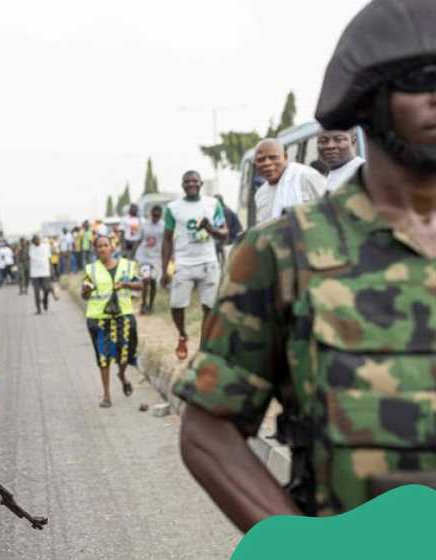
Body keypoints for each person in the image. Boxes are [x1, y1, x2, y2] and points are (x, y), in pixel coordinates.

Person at [177, 0, 436, 529]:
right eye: (423, 78)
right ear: (367, 99)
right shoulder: (284, 253)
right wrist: (307, 546)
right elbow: (208, 433)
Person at [161, 171, 228, 361]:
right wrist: (165, 269)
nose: (191, 184)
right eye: (187, 182)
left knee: (209, 306)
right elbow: (166, 240)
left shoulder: (213, 204)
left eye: (194, 181)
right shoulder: (173, 208)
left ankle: (204, 346)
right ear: (182, 185)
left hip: (208, 263)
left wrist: (210, 228)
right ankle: (182, 335)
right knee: (176, 305)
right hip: (184, 263)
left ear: (201, 183)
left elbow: (224, 234)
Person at [81, 234, 141, 408]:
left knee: (126, 352)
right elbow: (84, 293)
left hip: (124, 315)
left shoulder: (127, 266)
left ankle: (122, 375)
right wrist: (86, 290)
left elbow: (141, 285)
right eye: (99, 246)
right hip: (98, 318)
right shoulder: (91, 270)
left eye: (105, 245)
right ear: (95, 250)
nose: (102, 249)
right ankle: (106, 395)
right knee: (103, 356)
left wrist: (126, 285)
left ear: (112, 247)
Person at [253, 138, 326, 224]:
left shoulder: (306, 176)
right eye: (261, 160)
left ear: (285, 157)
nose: (267, 163)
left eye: (273, 157)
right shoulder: (260, 194)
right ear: (255, 163)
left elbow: (333, 209)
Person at [134, 205, 165, 315]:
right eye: (154, 215)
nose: (155, 217)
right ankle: (143, 304)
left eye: (158, 215)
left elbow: (167, 242)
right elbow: (138, 239)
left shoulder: (164, 226)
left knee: (153, 282)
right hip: (144, 257)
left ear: (161, 215)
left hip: (156, 258)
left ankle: (151, 305)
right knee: (145, 280)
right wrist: (134, 255)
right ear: (151, 213)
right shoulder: (144, 225)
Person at [318, 128, 366, 193]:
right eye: (323, 141)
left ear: (353, 141)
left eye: (338, 139)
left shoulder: (363, 172)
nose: (330, 146)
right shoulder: (324, 176)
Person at [28, 235, 52, 314]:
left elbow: (49, 258)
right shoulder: (31, 248)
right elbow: (32, 258)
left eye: (37, 240)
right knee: (36, 292)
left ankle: (45, 300)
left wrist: (51, 270)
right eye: (35, 241)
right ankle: (38, 309)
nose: (36, 242)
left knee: (47, 289)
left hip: (45, 272)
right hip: (35, 274)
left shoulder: (45, 247)